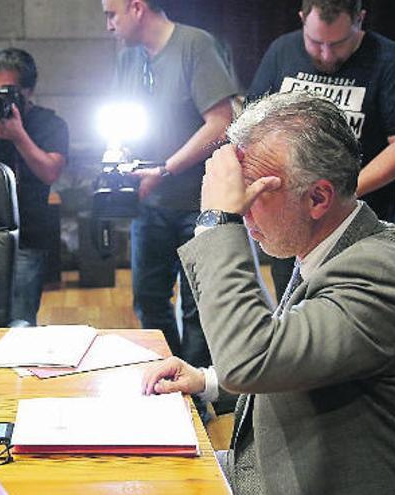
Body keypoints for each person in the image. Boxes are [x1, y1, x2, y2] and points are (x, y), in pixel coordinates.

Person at [142, 92, 395, 494]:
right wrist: (207, 380)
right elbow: (292, 352)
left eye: (253, 192)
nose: (243, 209)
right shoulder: (334, 247)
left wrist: (216, 221)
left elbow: (251, 359)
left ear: (318, 197)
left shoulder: (380, 274)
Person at [248, 0, 395, 296]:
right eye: (316, 42)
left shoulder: (390, 59)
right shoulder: (282, 51)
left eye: (339, 43)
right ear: (302, 18)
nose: (327, 54)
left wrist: (344, 194)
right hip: (291, 225)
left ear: (361, 19)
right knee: (293, 318)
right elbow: (253, 126)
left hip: (356, 227)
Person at [101, 0, 238, 371]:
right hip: (149, 202)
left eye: (111, 15)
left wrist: (165, 169)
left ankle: (198, 394)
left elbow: (222, 122)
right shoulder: (129, 59)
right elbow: (121, 122)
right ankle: (168, 381)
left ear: (137, 8)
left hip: (199, 202)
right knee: (148, 300)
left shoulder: (195, 45)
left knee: (198, 309)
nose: (109, 25)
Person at [0, 48, 69, 326]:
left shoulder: (49, 123)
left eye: (8, 90)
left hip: (29, 234)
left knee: (20, 320)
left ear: (28, 91)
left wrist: (19, 136)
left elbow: (49, 171)